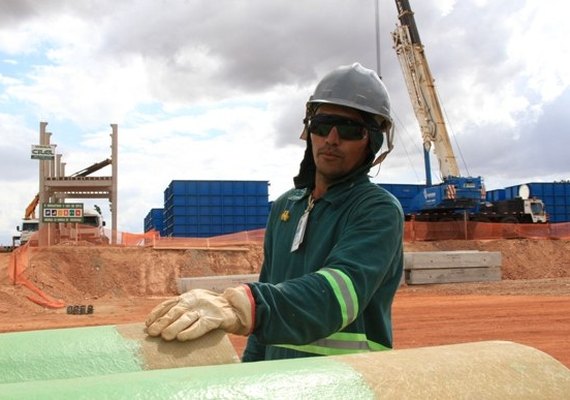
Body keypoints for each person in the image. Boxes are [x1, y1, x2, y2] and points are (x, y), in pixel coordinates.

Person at [145, 62, 404, 361]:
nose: (332, 139)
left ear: (371, 141)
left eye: (348, 130)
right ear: (309, 131)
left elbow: (338, 296)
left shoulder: (376, 210)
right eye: (322, 126)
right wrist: (251, 372)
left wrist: (244, 305)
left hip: (347, 381)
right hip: (279, 382)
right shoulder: (286, 207)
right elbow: (266, 304)